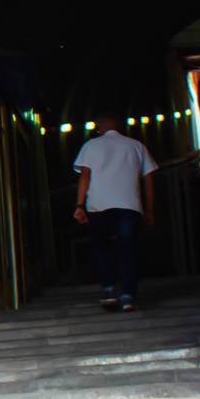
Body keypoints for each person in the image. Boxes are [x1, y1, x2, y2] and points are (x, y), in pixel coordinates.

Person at [71, 114, 159, 311]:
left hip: (98, 206)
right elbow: (149, 181)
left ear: (101, 127)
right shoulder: (136, 146)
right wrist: (150, 209)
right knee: (127, 249)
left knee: (102, 248)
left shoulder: (90, 146)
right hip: (129, 205)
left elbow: (85, 176)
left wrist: (79, 205)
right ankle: (127, 295)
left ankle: (109, 289)